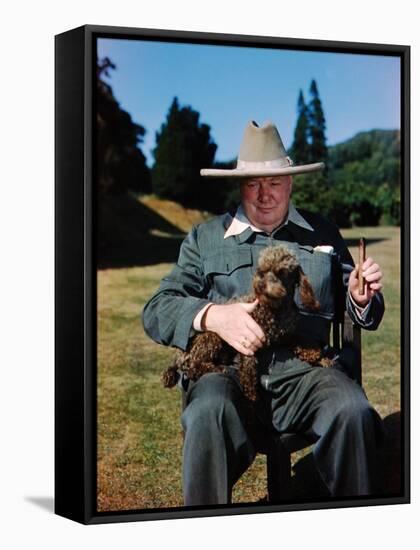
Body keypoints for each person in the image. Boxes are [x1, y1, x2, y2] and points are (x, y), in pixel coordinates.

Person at [142, 120, 385, 506]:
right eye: (253, 183)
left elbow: (362, 306)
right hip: (228, 375)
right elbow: (157, 309)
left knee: (352, 410)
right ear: (240, 185)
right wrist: (213, 316)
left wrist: (360, 296)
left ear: (290, 183)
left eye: (274, 183)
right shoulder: (204, 239)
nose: (264, 195)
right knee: (207, 412)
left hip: (308, 373)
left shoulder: (322, 233)